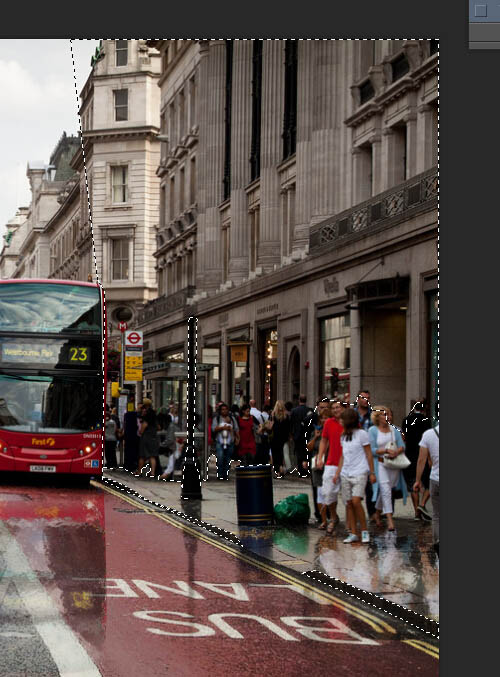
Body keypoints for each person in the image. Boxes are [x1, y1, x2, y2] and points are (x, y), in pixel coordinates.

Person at [333, 407, 376, 544]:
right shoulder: (343, 436)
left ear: (348, 420)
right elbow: (343, 456)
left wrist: (372, 472)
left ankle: (364, 531)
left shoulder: (362, 434)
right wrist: (337, 473)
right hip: (346, 473)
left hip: (360, 472)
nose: (340, 421)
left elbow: (369, 454)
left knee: (356, 501)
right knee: (349, 503)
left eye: (342, 419)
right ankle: (353, 533)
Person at [369, 406, 408, 531]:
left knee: (387, 490)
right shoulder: (373, 430)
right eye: (384, 414)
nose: (388, 417)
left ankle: (376, 514)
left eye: (389, 414)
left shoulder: (395, 430)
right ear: (377, 417)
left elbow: (402, 446)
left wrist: (396, 452)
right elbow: (371, 450)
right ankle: (390, 519)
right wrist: (385, 450)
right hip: (380, 464)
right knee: (385, 489)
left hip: (393, 465)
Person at [414, 408, 439, 556]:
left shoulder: (428, 435)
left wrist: (417, 480)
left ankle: (438, 542)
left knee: (437, 515)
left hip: (436, 479)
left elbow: (421, 460)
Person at [317, 400, 344, 534]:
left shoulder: (349, 422)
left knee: (349, 497)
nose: (335, 410)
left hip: (348, 463)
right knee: (329, 492)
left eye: (338, 407)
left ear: (343, 409)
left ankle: (351, 525)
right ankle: (333, 517)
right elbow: (323, 440)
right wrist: (320, 457)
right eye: (333, 408)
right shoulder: (328, 422)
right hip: (332, 462)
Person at [402, 400, 432, 521]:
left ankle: (416, 512)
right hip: (423, 453)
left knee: (412, 483)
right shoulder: (426, 421)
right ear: (424, 409)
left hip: (409, 454)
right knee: (430, 484)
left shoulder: (406, 420)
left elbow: (404, 436)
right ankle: (422, 504)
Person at [306, 399, 331, 530]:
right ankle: (321, 517)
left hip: (330, 463)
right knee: (318, 491)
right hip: (317, 463)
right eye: (321, 408)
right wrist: (316, 436)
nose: (324, 418)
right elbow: (308, 446)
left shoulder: (333, 429)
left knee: (329, 491)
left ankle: (330, 515)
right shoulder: (313, 424)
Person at [211, 403, 239, 480]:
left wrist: (237, 438)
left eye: (226, 409)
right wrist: (223, 427)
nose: (224, 411)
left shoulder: (232, 419)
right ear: (220, 411)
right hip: (220, 441)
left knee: (227, 459)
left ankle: (225, 474)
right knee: (220, 458)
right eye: (223, 409)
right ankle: (220, 474)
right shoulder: (217, 419)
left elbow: (236, 429)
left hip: (230, 441)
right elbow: (214, 429)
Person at [134, 398, 160, 478]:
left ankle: (139, 471)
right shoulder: (154, 413)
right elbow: (158, 426)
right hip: (153, 436)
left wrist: (141, 431)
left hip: (146, 436)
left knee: (142, 455)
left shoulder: (147, 414)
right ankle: (152, 473)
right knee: (152, 455)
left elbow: (144, 425)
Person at [265, 400, 291, 477]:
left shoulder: (273, 415)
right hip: (283, 438)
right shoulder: (286, 416)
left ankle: (278, 470)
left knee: (275, 454)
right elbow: (288, 428)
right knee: (281, 454)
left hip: (274, 437)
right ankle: (281, 467)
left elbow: (269, 426)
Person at [290, 394, 313, 476]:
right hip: (308, 434)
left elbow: (291, 423)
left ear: (299, 400)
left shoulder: (294, 411)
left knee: (299, 453)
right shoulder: (310, 410)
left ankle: (301, 470)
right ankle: (307, 469)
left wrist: (292, 434)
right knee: (308, 452)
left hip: (297, 435)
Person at [123, 398, 140, 472]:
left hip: (128, 436)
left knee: (128, 451)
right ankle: (132, 465)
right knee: (133, 451)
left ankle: (127, 465)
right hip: (134, 436)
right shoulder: (136, 415)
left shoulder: (127, 415)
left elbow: (125, 424)